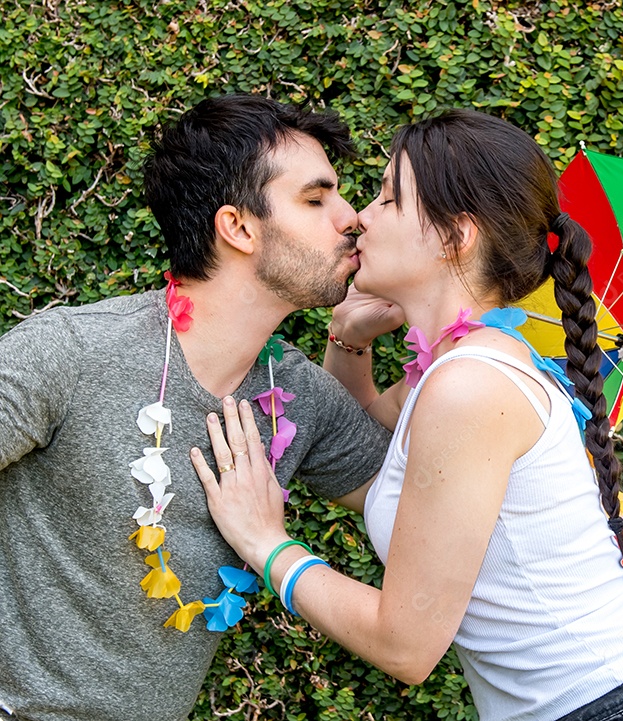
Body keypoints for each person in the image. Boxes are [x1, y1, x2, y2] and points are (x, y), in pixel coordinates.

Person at [191, 109, 623, 721]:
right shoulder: (460, 369)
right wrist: (349, 340)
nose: (359, 217)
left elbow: (405, 646)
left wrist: (266, 543)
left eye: (387, 199)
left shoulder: (469, 387)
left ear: (455, 237)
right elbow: (369, 448)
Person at [0, 94, 401, 721]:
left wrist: (451, 334)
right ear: (237, 227)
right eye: (316, 199)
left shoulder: (299, 395)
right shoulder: (70, 353)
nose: (353, 218)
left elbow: (418, 502)